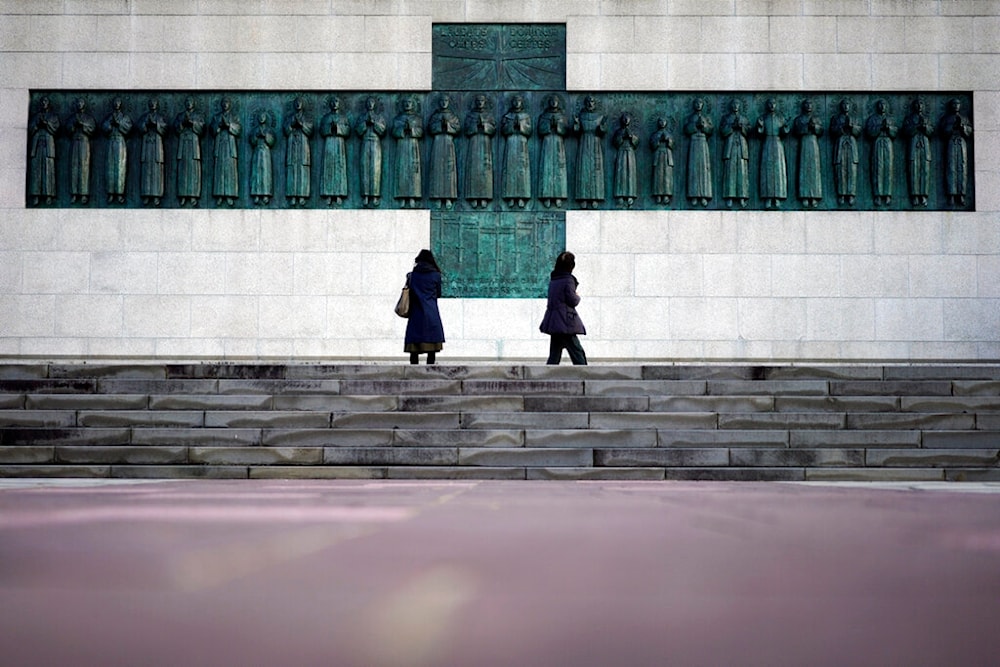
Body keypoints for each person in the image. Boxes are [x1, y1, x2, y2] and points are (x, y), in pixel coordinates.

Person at [539, 251, 587, 366]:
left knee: (554, 356)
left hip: (555, 322)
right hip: (565, 322)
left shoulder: (554, 280)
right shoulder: (568, 280)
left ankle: (547, 377)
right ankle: (585, 374)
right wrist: (577, 296)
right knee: (577, 353)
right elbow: (572, 300)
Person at [404, 249, 445, 365]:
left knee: (414, 345)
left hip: (416, 312)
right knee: (432, 345)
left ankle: (413, 368)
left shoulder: (412, 276)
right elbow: (438, 294)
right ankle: (430, 367)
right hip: (431, 311)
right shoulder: (436, 276)